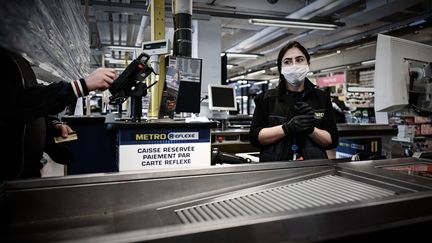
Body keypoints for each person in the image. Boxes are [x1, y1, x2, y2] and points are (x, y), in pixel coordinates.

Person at [0, 46, 117, 180]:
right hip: (6, 180)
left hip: (26, 176)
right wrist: (80, 86)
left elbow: (31, 109)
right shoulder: (4, 59)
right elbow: (13, 105)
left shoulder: (18, 60)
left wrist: (51, 126)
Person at [249, 41, 338, 162]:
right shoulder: (265, 99)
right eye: (287, 62)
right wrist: (287, 128)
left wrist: (311, 129)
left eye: (299, 60)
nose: (294, 65)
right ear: (281, 68)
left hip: (314, 167)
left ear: (308, 64)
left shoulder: (321, 98)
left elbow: (332, 141)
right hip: (274, 168)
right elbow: (255, 138)